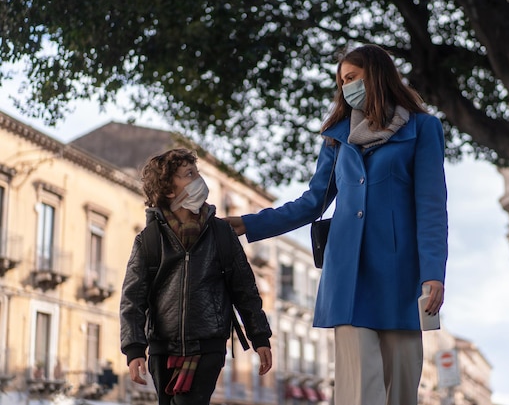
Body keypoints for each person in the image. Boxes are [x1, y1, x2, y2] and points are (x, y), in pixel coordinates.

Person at [226, 44, 447, 405]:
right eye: (342, 81)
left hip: (400, 275)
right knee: (359, 391)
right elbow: (311, 203)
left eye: (352, 78)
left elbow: (432, 207)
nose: (346, 87)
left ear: (375, 76)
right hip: (349, 276)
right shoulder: (337, 137)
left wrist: (433, 273)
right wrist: (247, 224)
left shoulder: (423, 129)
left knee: (401, 390)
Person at [120, 148, 272, 405]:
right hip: (162, 347)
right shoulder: (148, 240)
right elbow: (133, 298)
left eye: (197, 172)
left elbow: (244, 289)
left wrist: (259, 337)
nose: (199, 180)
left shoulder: (222, 233)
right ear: (169, 191)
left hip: (208, 344)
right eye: (190, 174)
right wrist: (134, 349)